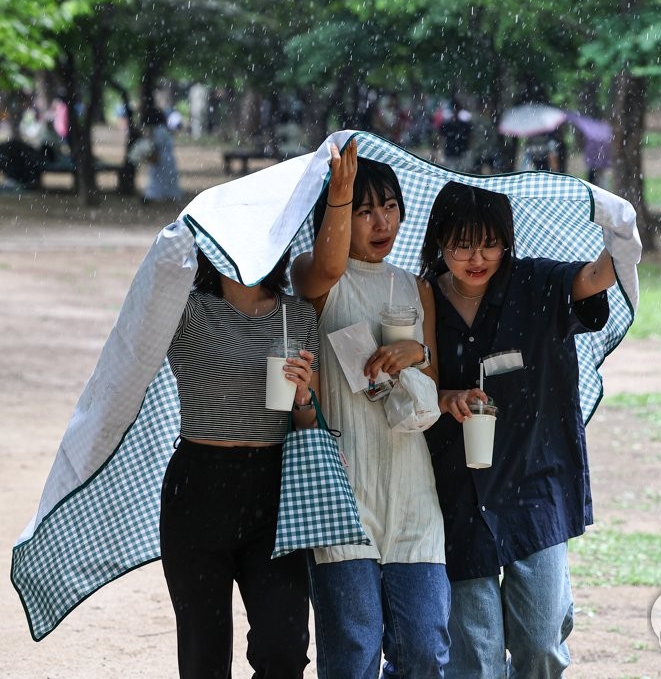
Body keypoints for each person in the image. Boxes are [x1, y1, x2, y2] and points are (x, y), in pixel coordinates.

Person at [418, 181, 616, 677]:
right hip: (454, 492)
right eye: (461, 243)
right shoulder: (419, 300)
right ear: (440, 242)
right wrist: (446, 399)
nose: (476, 257)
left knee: (542, 642)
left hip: (535, 481)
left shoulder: (537, 284)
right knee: (475, 660)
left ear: (507, 240)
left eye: (489, 242)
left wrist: (622, 233)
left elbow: (596, 277)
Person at [291, 139, 450, 677]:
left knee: (424, 647)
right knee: (354, 651)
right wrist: (338, 196)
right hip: (344, 490)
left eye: (389, 207)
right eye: (364, 211)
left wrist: (418, 353)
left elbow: (427, 387)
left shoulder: (414, 286)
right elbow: (329, 266)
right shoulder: (312, 276)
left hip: (413, 492)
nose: (381, 222)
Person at [162, 247, 320, 678]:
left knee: (284, 648)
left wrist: (304, 397)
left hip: (273, 489)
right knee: (203, 656)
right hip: (197, 486)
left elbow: (308, 423)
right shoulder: (185, 310)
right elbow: (134, 332)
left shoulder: (297, 316)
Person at [140, 106, 182, 203]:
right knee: (164, 177)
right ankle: (167, 194)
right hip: (167, 157)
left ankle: (158, 194)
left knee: (160, 177)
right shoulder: (162, 129)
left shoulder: (159, 131)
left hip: (163, 157)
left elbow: (156, 146)